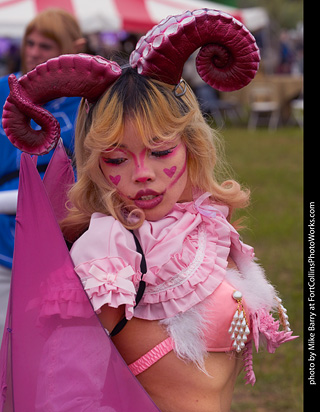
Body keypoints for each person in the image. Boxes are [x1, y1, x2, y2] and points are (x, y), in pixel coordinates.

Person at [1, 9, 296, 411]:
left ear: (190, 146)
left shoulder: (199, 222)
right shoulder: (108, 250)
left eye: (159, 151)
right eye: (117, 159)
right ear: (96, 165)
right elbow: (66, 389)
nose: (143, 174)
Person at [0, 8, 86, 337]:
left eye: (46, 46)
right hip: (4, 237)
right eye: (30, 43)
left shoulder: (90, 105)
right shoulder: (1, 93)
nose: (34, 52)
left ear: (74, 48)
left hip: (64, 237)